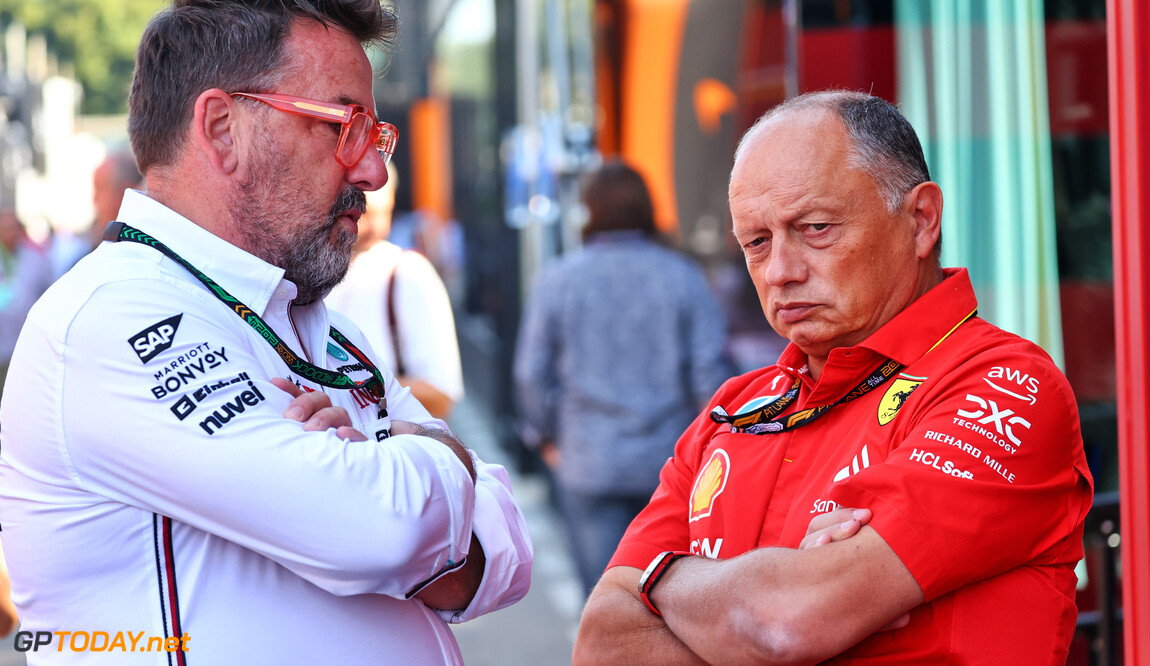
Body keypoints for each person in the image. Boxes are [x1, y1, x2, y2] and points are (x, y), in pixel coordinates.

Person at [0, 2, 531, 664]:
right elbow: (380, 530)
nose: (374, 172)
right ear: (222, 128)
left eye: (376, 135)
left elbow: (508, 558)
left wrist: (383, 466)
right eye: (345, 127)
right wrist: (437, 454)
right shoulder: (110, 316)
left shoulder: (320, 325)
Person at [573, 91, 1092, 664]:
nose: (781, 272)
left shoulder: (1003, 385)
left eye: (816, 228)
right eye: (756, 242)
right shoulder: (733, 408)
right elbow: (602, 642)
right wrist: (767, 600)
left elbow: (783, 625)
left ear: (921, 221)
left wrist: (660, 580)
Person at [514, 160, 733, 594]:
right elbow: (710, 374)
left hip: (587, 458)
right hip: (669, 464)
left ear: (589, 210)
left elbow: (530, 372)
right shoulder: (684, 276)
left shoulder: (558, 279)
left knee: (603, 602)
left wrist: (544, 437)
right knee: (673, 604)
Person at [325, 162, 464, 419]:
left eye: (382, 212)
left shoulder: (408, 272)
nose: (374, 223)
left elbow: (442, 394)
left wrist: (348, 389)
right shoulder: (313, 274)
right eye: (365, 211)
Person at [51, 147, 143, 277]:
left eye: (99, 189)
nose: (94, 199)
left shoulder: (145, 251)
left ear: (125, 192)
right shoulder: (89, 254)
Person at [0, 208, 53, 391]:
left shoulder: (36, 259)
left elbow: (50, 295)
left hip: (27, 348)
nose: (9, 233)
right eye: (4, 228)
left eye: (13, 227)